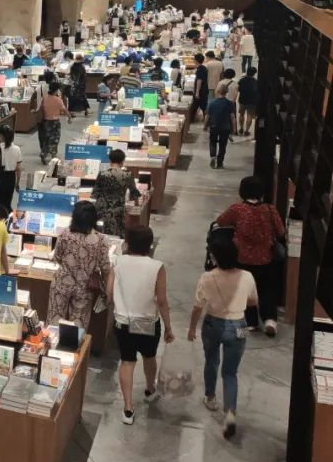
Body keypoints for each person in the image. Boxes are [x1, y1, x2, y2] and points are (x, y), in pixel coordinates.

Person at [188, 236, 258, 439]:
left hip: (213, 325)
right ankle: (230, 413)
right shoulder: (247, 277)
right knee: (230, 373)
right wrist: (247, 331)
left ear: (216, 257)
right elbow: (253, 304)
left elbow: (196, 308)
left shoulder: (208, 277)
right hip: (238, 325)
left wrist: (192, 329)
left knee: (211, 361)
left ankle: (210, 397)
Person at [108, 225, 173, 425]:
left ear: (127, 244)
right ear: (149, 245)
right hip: (147, 322)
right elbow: (161, 301)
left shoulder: (117, 263)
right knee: (149, 356)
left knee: (127, 362)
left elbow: (109, 292)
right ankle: (149, 389)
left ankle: (128, 408)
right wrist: (168, 328)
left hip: (123, 322)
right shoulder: (157, 267)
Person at [215, 176, 284, 336]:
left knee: (245, 289)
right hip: (266, 258)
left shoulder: (237, 209)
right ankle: (270, 320)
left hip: (243, 259)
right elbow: (281, 232)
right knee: (266, 289)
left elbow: (220, 221)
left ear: (242, 191)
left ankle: (251, 322)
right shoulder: (269, 209)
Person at [47, 200, 111, 329]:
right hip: (84, 287)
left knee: (54, 323)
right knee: (77, 329)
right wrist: (108, 292)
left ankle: (52, 348)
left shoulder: (65, 234)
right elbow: (105, 268)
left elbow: (58, 257)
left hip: (61, 284)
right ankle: (74, 349)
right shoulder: (102, 240)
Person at [92, 148, 141, 236]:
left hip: (101, 208)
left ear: (110, 160)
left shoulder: (102, 174)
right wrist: (137, 206)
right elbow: (134, 192)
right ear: (122, 161)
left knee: (100, 232)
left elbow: (95, 193)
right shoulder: (127, 174)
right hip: (117, 208)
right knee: (116, 233)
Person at [0, 124, 22, 210]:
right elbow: (18, 169)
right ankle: (7, 219)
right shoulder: (17, 149)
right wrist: (17, 183)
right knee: (7, 202)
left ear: (2, 136)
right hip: (11, 177)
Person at [205, 84, 235, 169]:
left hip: (214, 126)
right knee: (223, 145)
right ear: (227, 92)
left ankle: (213, 156)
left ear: (217, 91)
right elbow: (232, 117)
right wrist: (234, 129)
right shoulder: (229, 103)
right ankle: (220, 163)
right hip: (225, 127)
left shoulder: (212, 103)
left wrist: (205, 126)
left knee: (213, 142)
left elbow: (207, 116)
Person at [39, 82, 71, 163]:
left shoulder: (45, 98)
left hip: (46, 121)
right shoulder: (58, 100)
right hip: (55, 122)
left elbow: (41, 108)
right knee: (55, 139)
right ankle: (53, 155)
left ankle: (43, 152)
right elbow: (64, 110)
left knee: (47, 138)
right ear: (56, 90)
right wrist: (69, 117)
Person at [237, 66, 258, 136]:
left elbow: (238, 89)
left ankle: (241, 128)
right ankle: (246, 130)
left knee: (241, 114)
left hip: (242, 100)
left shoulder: (242, 80)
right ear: (254, 73)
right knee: (249, 115)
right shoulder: (255, 82)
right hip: (252, 101)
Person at [191, 52, 208, 122]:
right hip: (204, 89)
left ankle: (193, 119)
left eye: (194, 59)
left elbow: (199, 81)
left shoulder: (200, 69)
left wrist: (197, 92)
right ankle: (204, 119)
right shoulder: (203, 68)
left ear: (196, 60)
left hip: (201, 90)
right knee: (203, 105)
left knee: (198, 105)